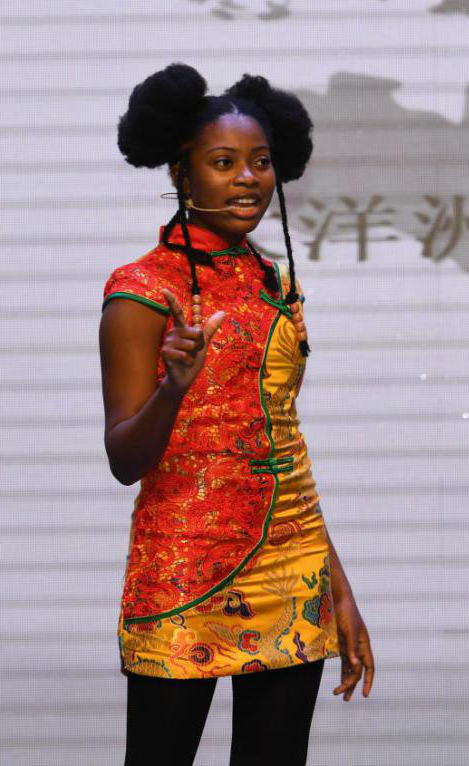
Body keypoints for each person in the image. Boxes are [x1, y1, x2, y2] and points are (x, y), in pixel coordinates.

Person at [99, 62, 374, 766]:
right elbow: (125, 460)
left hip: (291, 569)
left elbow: (283, 446)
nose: (248, 179)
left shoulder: (274, 282)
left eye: (260, 162)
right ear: (182, 172)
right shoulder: (141, 291)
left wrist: (336, 588)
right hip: (183, 571)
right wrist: (174, 388)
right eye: (223, 163)